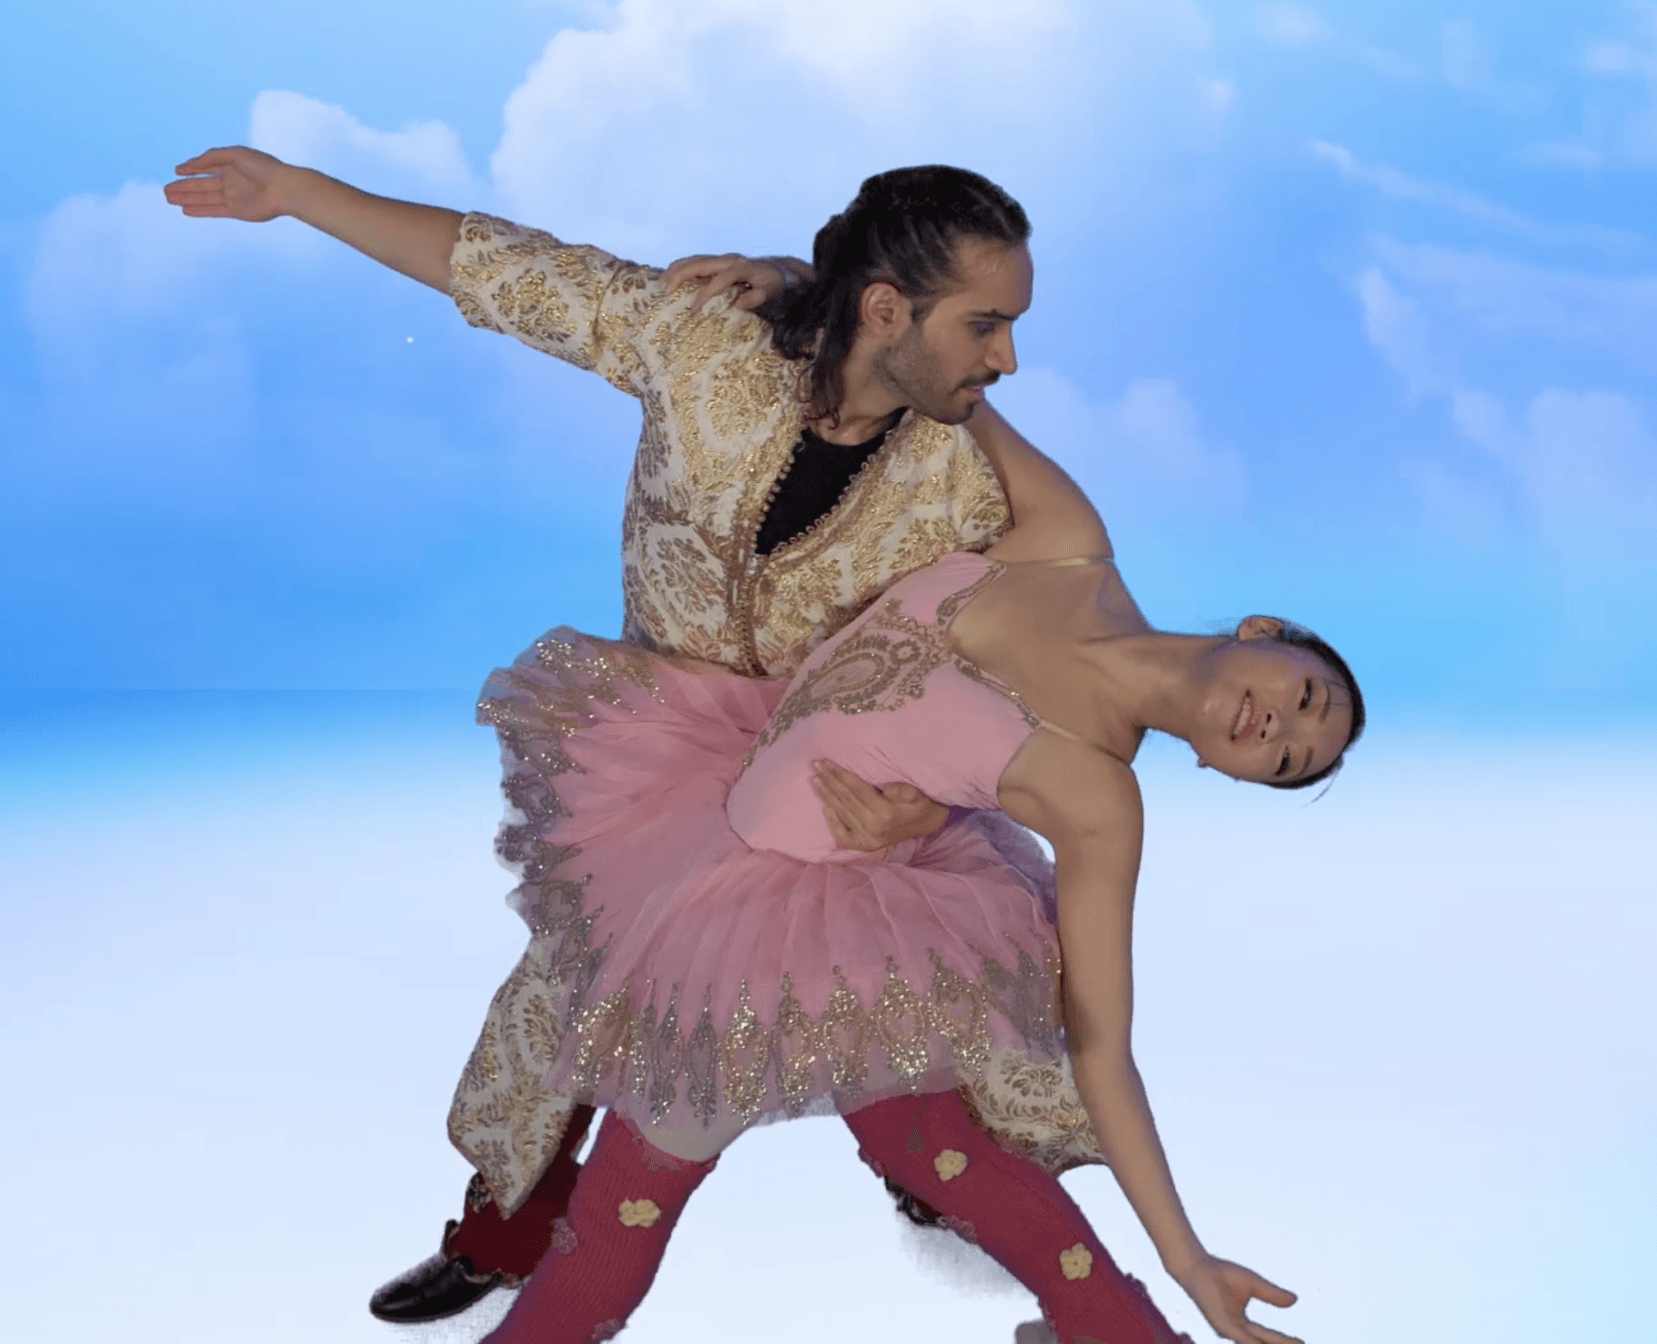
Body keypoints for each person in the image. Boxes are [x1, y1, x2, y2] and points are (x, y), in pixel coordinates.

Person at [165, 147, 1067, 1320]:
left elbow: (1039, 656)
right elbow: (505, 270)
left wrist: (931, 803)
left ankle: (951, 1178)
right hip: (654, 761)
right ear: (887, 308)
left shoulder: (968, 480)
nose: (1008, 359)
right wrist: (297, 192)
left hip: (834, 782)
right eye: (987, 324)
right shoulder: (702, 344)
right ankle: (508, 1231)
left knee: (908, 977)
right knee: (575, 984)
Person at [470, 392, 1363, 1344]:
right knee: (936, 1147)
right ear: (1264, 629)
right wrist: (793, 297)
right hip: (710, 790)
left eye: (1287, 762)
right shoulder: (1069, 541)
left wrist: (1191, 1261)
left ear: (1225, 770)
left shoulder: (1100, 801)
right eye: (1306, 697)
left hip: (786, 935)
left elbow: (1103, 1050)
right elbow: (947, 387)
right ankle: (1116, 1331)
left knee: (634, 1198)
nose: (1279, 729)